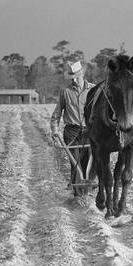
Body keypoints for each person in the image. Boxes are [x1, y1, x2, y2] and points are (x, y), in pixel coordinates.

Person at [50, 60, 95, 195]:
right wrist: (55, 131)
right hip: (72, 132)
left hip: (89, 132)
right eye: (71, 77)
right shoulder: (66, 92)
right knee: (76, 165)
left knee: (87, 166)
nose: (73, 79)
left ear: (82, 73)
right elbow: (56, 114)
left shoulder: (93, 90)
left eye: (75, 76)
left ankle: (86, 192)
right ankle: (78, 197)